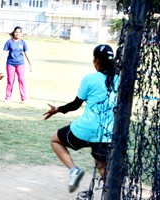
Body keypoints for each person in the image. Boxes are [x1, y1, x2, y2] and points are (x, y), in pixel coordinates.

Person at [43, 44, 119, 193]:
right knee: (102, 165)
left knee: (55, 139)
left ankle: (74, 170)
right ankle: (112, 194)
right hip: (107, 133)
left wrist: (57, 110)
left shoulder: (90, 79)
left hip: (85, 129)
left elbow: (75, 105)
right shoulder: (120, 79)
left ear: (96, 60)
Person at [0, 26, 32, 103]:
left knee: (22, 81)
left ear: (21, 33)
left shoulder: (23, 42)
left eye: (19, 32)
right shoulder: (9, 42)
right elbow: (4, 52)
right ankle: (7, 98)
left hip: (20, 64)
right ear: (14, 32)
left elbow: (26, 53)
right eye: (16, 32)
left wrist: (30, 64)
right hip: (10, 64)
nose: (17, 33)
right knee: (10, 81)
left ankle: (23, 99)